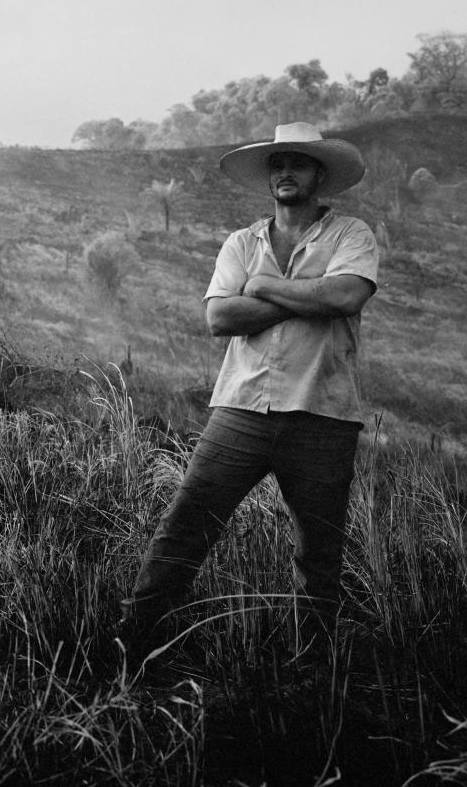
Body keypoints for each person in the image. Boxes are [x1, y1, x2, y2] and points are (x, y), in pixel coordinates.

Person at [119, 122, 378, 662]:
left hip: (322, 412)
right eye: (278, 163)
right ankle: (130, 642)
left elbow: (348, 295)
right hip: (241, 407)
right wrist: (308, 295)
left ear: (319, 175)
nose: (286, 172)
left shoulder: (351, 235)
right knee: (187, 524)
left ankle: (313, 666)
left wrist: (262, 288)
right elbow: (220, 317)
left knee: (319, 550)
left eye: (299, 163)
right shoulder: (242, 242)